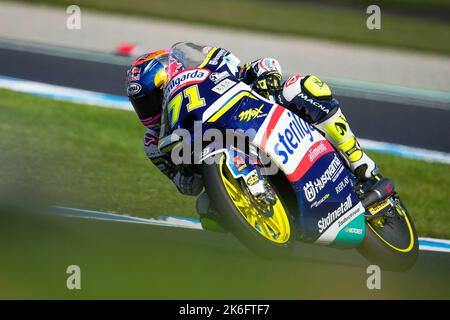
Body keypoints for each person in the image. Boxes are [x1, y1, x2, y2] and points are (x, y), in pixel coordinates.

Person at [126, 44, 379, 197]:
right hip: (231, 169)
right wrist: (184, 169)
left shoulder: (205, 70)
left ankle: (357, 158)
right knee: (208, 212)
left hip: (260, 118)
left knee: (300, 87)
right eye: (142, 104)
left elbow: (260, 65)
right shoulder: (155, 144)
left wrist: (265, 75)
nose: (149, 110)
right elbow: (188, 188)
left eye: (153, 99)